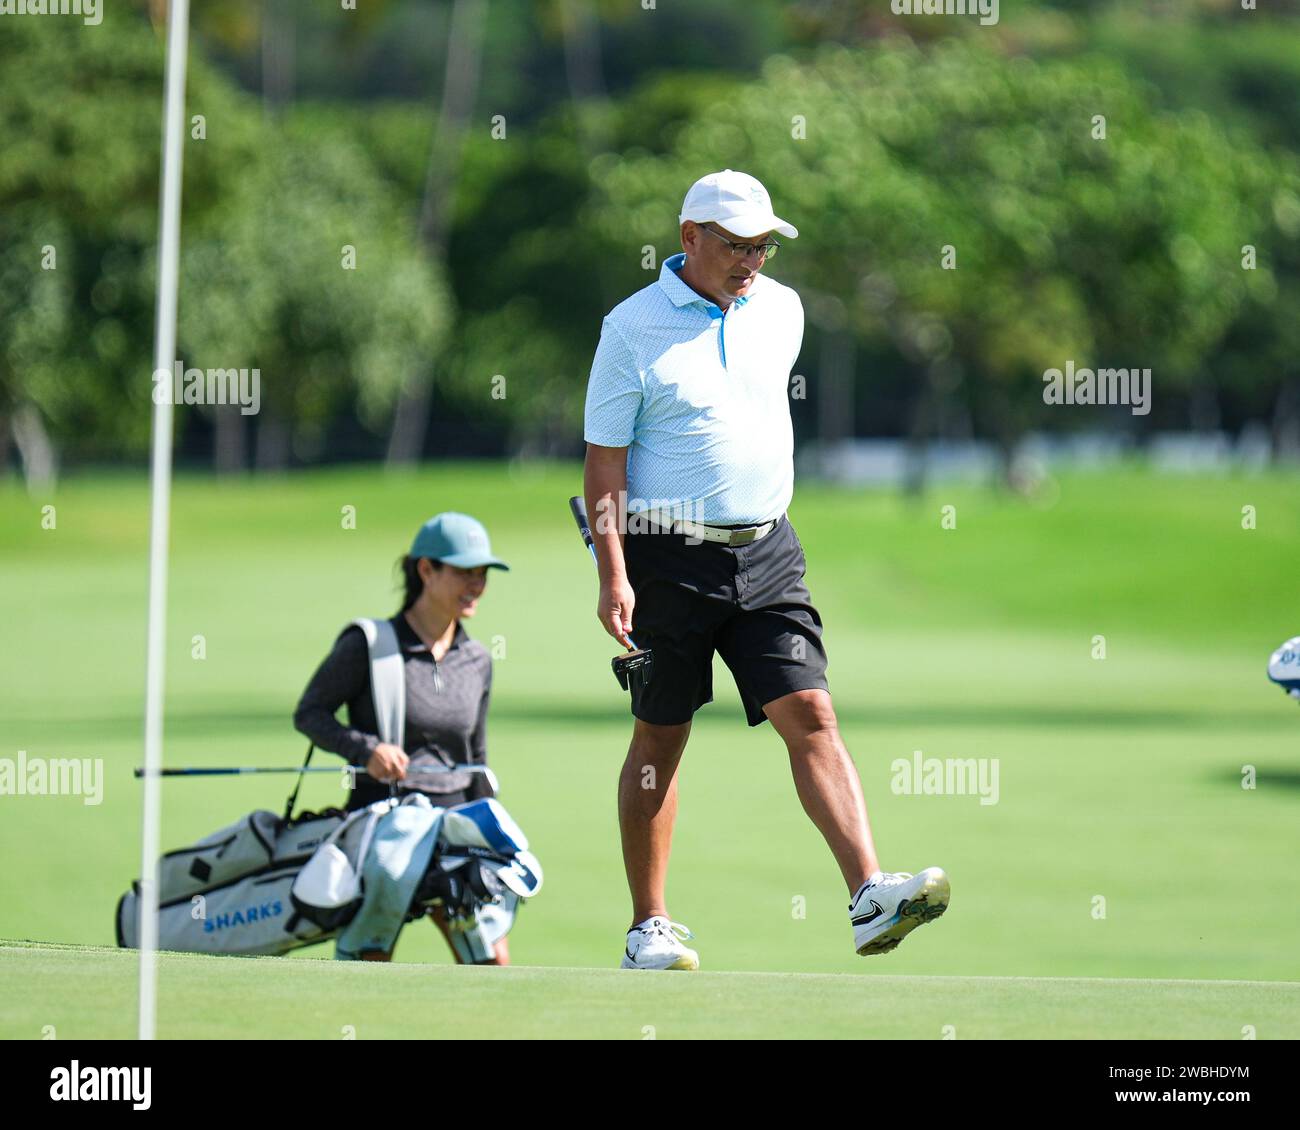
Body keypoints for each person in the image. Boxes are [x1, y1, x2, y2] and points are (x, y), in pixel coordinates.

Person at [582, 169, 950, 970]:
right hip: (665, 558)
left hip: (769, 548)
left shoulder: (780, 309)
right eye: (737, 245)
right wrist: (613, 573)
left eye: (762, 245)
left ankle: (868, 896)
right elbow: (604, 466)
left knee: (811, 713)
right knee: (662, 734)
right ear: (690, 239)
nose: (753, 260)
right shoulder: (630, 330)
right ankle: (649, 926)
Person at [293, 511, 511, 963]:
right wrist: (366, 749)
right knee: (369, 959)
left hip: (454, 828)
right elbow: (310, 713)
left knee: (491, 960)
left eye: (482, 574)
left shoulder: (477, 660)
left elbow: (476, 756)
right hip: (383, 823)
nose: (476, 584)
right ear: (426, 570)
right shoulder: (368, 644)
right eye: (463, 572)